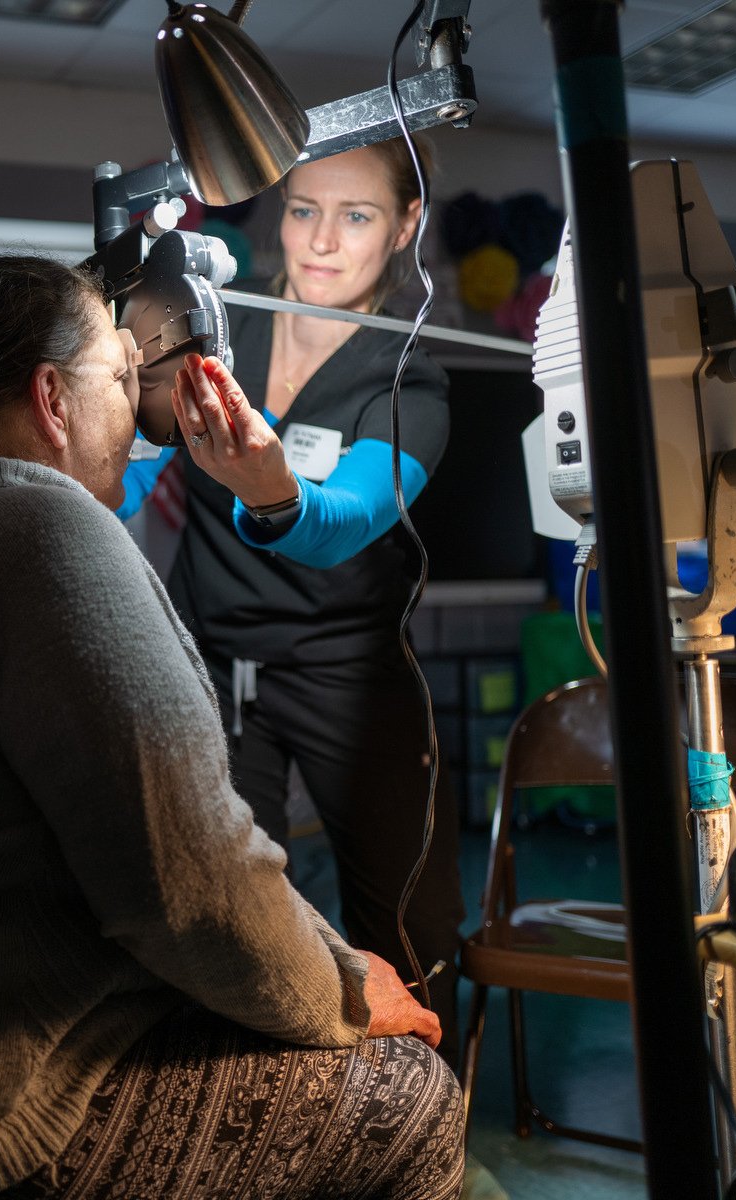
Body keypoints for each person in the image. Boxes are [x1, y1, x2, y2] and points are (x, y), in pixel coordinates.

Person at [0, 254, 463, 1200]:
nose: (137, 417)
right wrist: (346, 993)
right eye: (115, 373)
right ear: (51, 401)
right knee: (410, 1096)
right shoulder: (39, 535)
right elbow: (191, 886)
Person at [117, 138, 465, 1065]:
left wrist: (271, 492)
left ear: (405, 227)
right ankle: (263, 1119)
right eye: (304, 209)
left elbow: (342, 520)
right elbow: (122, 475)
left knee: (408, 921)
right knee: (230, 920)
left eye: (356, 216)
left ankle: (425, 1127)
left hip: (347, 673)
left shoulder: (410, 381)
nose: (319, 241)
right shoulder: (212, 333)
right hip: (212, 662)